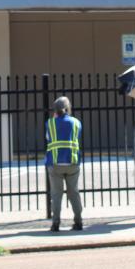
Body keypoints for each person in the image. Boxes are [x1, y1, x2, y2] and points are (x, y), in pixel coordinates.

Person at [45, 96, 83, 232]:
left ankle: (56, 224)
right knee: (74, 193)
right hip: (72, 162)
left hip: (55, 163)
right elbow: (77, 137)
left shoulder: (50, 123)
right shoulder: (76, 123)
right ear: (68, 109)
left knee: (56, 194)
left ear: (55, 110)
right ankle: (78, 222)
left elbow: (48, 138)